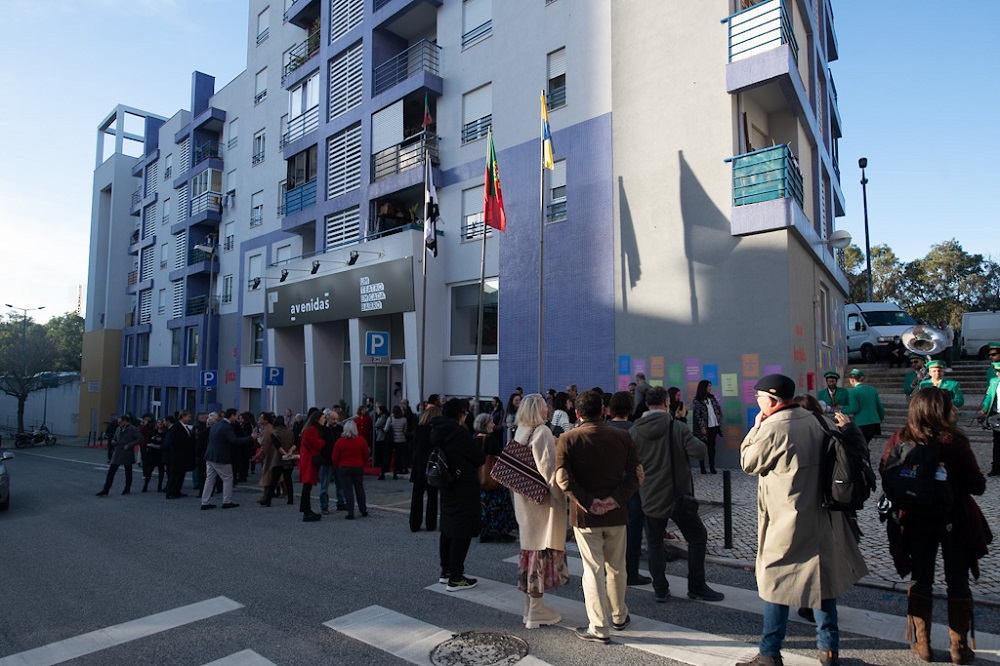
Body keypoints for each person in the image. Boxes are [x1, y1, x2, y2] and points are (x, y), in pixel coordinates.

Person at [739, 375, 868, 666]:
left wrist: (756, 426)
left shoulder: (773, 427)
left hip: (787, 517)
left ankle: (769, 652)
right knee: (822, 582)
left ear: (770, 401)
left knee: (776, 582)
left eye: (759, 397)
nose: (756, 402)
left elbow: (748, 462)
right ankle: (829, 650)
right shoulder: (818, 420)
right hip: (822, 514)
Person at [880, 388, 987, 664]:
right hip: (953, 520)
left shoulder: (901, 437)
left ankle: (923, 644)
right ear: (942, 410)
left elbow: (886, 471)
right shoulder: (955, 441)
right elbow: (977, 485)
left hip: (915, 519)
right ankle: (959, 648)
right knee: (957, 582)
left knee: (921, 579)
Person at [556, 390, 641, 643]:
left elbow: (562, 479)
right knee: (617, 568)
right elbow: (637, 475)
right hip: (617, 513)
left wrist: (589, 501)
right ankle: (619, 615)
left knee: (592, 571)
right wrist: (615, 499)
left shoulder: (567, 439)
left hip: (585, 517)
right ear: (603, 410)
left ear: (578, 413)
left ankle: (599, 627)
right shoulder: (623, 436)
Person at [630, 386, 724, 603]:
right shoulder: (677, 427)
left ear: (646, 404)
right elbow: (699, 451)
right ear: (666, 403)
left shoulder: (634, 431)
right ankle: (697, 585)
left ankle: (660, 588)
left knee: (654, 543)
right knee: (697, 537)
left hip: (650, 496)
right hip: (677, 496)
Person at [511, 393, 569, 629]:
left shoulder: (521, 430)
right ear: (538, 410)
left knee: (529, 554)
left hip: (524, 503)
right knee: (540, 554)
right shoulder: (542, 432)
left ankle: (529, 608)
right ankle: (536, 611)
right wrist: (563, 495)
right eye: (545, 407)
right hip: (542, 505)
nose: (548, 410)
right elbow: (548, 470)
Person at [432, 398, 485, 591]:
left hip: (446, 483)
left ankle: (446, 572)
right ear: (459, 414)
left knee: (447, 529)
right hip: (464, 486)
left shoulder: (438, 430)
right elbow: (478, 457)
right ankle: (456, 576)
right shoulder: (459, 434)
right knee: (462, 531)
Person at [608, 390, 652, 586]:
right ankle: (630, 572)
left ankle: (608, 570)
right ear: (631, 408)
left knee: (608, 532)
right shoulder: (635, 429)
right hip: (631, 487)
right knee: (632, 532)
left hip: (607, 486)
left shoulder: (604, 429)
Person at [474, 413, 517, 543]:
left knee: (483, 507)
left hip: (479, 478)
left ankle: (485, 532)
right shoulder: (491, 439)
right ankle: (501, 531)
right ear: (485, 424)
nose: (493, 425)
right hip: (493, 477)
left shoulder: (474, 438)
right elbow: (499, 456)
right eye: (490, 422)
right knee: (498, 505)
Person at [201, 408, 252, 510]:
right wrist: (251, 438)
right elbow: (234, 440)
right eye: (236, 416)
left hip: (210, 455)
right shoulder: (226, 427)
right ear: (232, 415)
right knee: (228, 478)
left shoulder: (216, 425)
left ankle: (205, 502)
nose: (237, 418)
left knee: (209, 480)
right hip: (221, 457)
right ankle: (226, 501)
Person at [409, 405, 441, 532]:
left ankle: (414, 523)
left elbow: (414, 446)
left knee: (417, 495)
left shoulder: (419, 429)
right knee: (432, 496)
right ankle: (430, 524)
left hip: (419, 464)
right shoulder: (437, 431)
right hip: (433, 464)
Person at [331, 419, 369, 519]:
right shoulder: (361, 440)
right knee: (359, 489)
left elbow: (335, 457)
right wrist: (362, 463)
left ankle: (350, 512)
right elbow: (366, 454)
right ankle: (363, 509)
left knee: (348, 490)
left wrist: (337, 466)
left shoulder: (340, 442)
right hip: (358, 466)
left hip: (344, 467)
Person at [96, 415, 143, 496]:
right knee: (111, 472)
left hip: (127, 453)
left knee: (128, 472)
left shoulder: (133, 429)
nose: (119, 424)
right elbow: (115, 437)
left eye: (120, 422)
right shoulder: (118, 428)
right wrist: (113, 441)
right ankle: (106, 489)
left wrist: (130, 445)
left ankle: (127, 488)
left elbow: (140, 438)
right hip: (117, 452)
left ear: (125, 421)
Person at [841, 368, 886, 444]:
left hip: (862, 423)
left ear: (852, 380)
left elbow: (854, 408)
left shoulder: (853, 391)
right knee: (865, 443)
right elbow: (880, 407)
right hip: (874, 422)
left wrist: (841, 410)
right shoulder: (872, 389)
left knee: (860, 445)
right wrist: (880, 419)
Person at [297, 410, 326, 522]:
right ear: (317, 419)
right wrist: (323, 441)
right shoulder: (312, 430)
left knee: (307, 486)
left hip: (307, 459)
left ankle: (307, 510)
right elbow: (318, 445)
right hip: (309, 460)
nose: (324, 420)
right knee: (307, 486)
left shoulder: (309, 429)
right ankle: (306, 512)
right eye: (323, 418)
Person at [262, 415, 296, 506]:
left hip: (278, 459)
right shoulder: (290, 432)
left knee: (274, 480)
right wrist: (290, 451)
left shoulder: (275, 433)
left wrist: (284, 453)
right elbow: (296, 442)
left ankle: (268, 500)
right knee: (288, 479)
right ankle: (290, 499)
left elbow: (277, 446)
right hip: (289, 460)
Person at [691, 379, 723, 474]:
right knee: (702, 448)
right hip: (704, 428)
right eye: (708, 386)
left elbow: (717, 409)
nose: (710, 388)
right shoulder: (697, 401)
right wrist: (702, 427)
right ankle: (702, 468)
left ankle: (712, 467)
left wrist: (719, 419)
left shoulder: (712, 398)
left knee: (712, 447)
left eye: (710, 386)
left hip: (713, 426)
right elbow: (697, 415)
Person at [163, 411, 195, 499]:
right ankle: (170, 492)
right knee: (175, 475)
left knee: (181, 474)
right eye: (188, 416)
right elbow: (177, 442)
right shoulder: (176, 427)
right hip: (178, 456)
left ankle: (177, 491)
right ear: (183, 417)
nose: (189, 419)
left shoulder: (185, 427)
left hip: (183, 456)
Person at [977, 361, 1000, 477]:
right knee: (997, 443)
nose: (998, 374)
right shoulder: (994, 381)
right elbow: (989, 396)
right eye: (997, 371)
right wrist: (985, 408)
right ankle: (996, 467)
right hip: (996, 414)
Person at [384, 405, 409, 479]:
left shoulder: (390, 418)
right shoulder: (404, 419)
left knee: (388, 455)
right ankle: (396, 472)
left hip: (391, 439)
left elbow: (386, 429)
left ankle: (384, 471)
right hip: (401, 439)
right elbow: (405, 431)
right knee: (398, 457)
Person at [142, 418, 166, 493]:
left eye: (161, 423)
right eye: (158, 423)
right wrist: (154, 439)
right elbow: (148, 440)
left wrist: (160, 440)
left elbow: (165, 441)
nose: (159, 424)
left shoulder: (165, 433)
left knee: (161, 470)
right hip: (152, 453)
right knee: (149, 470)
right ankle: (145, 485)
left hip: (160, 453)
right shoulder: (153, 432)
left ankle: (160, 486)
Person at [373, 404, 389, 480]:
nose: (377, 411)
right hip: (379, 435)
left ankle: (380, 462)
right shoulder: (380, 417)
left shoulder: (383, 416)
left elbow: (376, 424)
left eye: (378, 410)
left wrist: (377, 426)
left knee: (380, 450)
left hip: (381, 436)